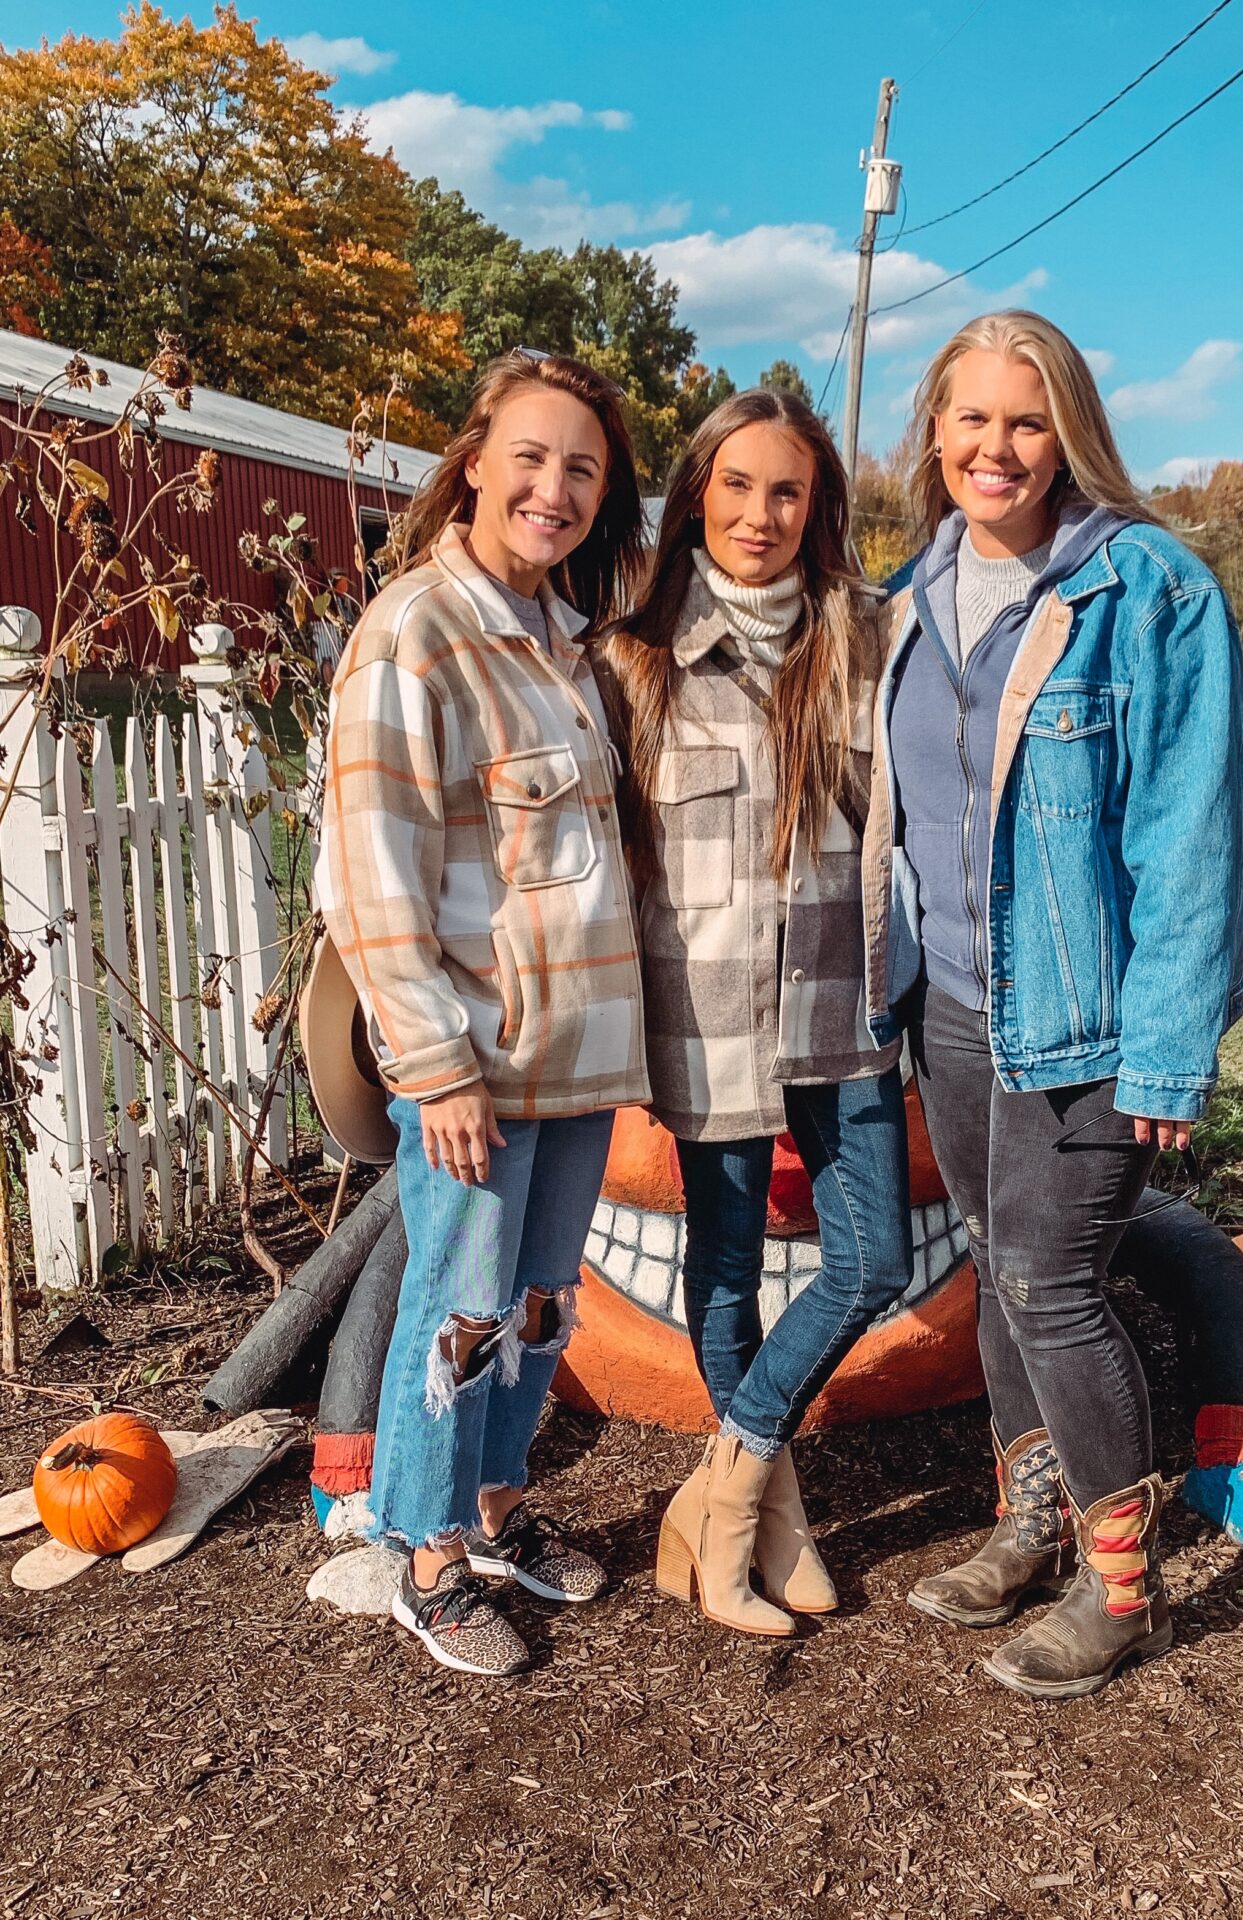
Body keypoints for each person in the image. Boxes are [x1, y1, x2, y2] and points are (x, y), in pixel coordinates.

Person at [871, 309, 1243, 1698]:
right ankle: (1029, 1523)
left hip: (1086, 1020)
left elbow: (1190, 837)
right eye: (970, 419)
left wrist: (1168, 1054)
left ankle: (1124, 1590)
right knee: (998, 1261)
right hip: (954, 1014)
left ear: (1070, 429)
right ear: (934, 432)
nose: (996, 447)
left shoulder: (1148, 591)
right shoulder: (909, 598)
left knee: (1051, 1281)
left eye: (1025, 421)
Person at [315, 349, 649, 1675]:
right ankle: (425, 1553)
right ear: (474, 461)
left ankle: (498, 1512)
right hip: (477, 1060)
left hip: (573, 1059)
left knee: (540, 1303)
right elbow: (371, 869)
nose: (554, 489)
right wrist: (435, 1067)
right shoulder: (416, 630)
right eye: (532, 457)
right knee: (456, 1309)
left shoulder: (561, 637)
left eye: (582, 469)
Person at [600, 388, 913, 1638]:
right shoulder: (637, 656)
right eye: (736, 486)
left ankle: (722, 1493)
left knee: (876, 1258)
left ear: (818, 506)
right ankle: (769, 1525)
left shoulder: (872, 636)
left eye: (786, 491)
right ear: (696, 498)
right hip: (711, 1010)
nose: (759, 514)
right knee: (724, 1268)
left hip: (844, 1003)